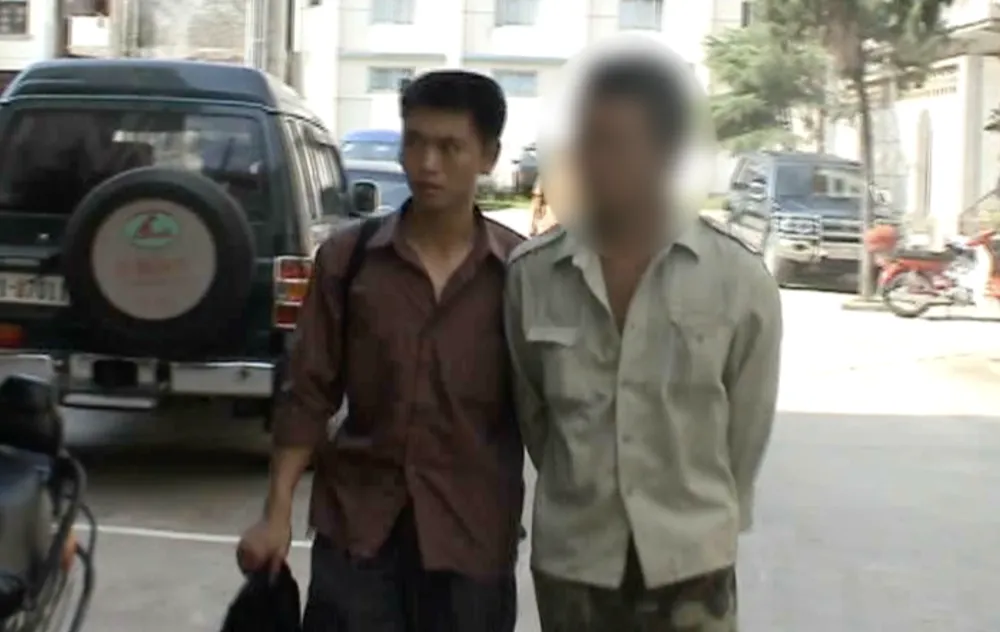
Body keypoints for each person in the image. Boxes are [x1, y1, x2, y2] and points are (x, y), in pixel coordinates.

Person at [236, 70, 524, 632]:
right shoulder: (349, 261)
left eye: (450, 147)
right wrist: (276, 514)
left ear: (488, 156)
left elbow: (552, 409)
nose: (427, 163)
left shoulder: (521, 274)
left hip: (472, 540)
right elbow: (307, 392)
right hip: (358, 534)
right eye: (414, 141)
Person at [504, 51, 782, 631]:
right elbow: (536, 418)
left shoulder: (737, 279)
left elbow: (745, 433)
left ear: (665, 154)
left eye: (614, 144)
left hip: (691, 563)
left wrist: (698, 510)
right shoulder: (533, 275)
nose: (591, 162)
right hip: (576, 563)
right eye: (585, 142)